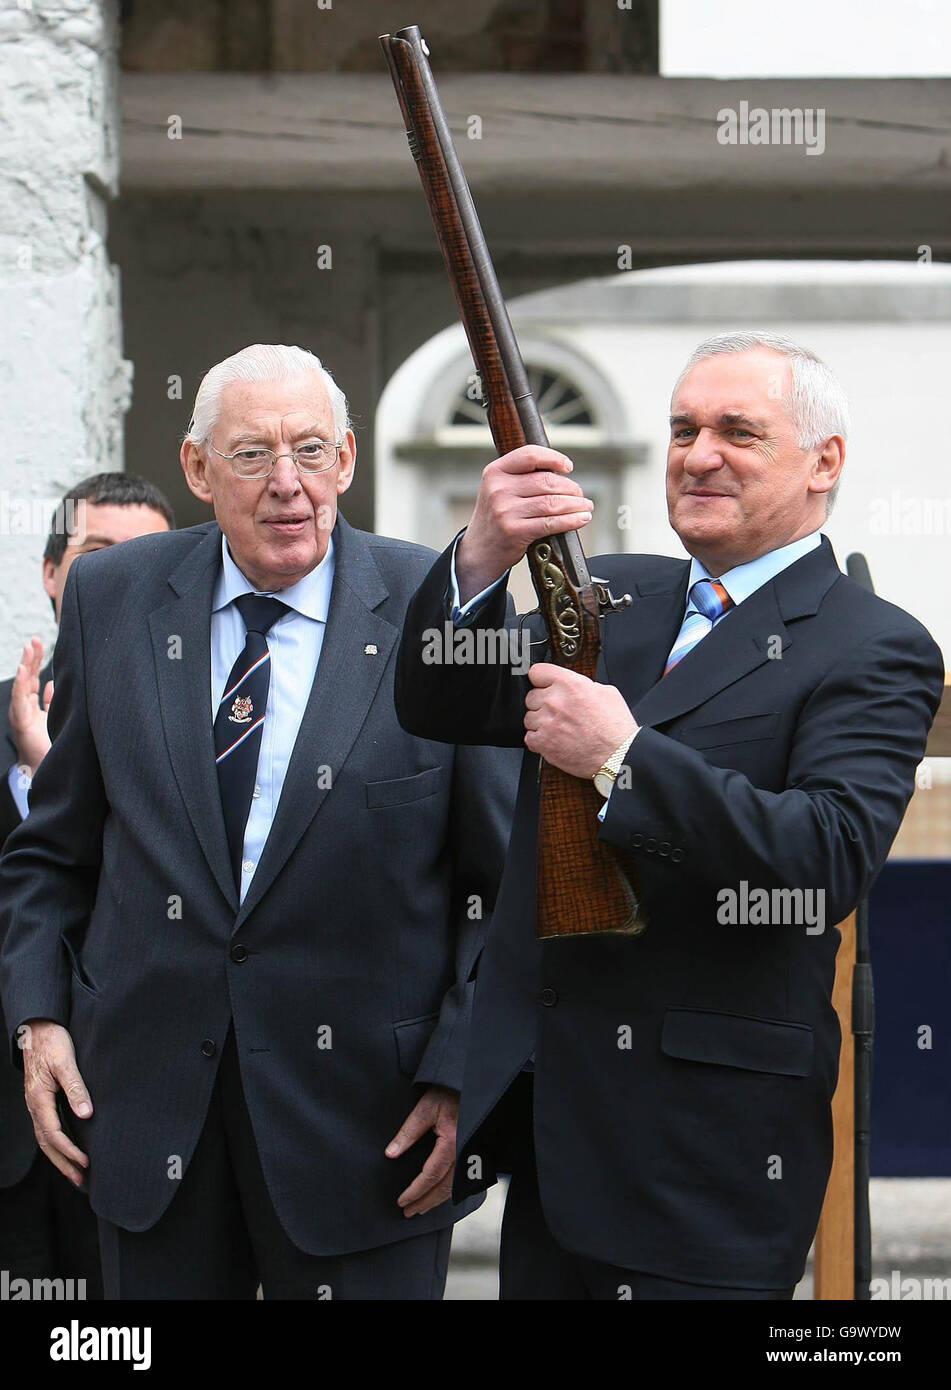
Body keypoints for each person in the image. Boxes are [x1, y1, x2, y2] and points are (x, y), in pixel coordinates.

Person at [394, 330, 944, 1299]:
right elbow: (438, 697)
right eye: (684, 428)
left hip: (709, 1170)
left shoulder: (875, 645)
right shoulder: (619, 596)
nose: (698, 454)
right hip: (556, 1150)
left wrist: (622, 756)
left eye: (739, 431)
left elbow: (821, 860)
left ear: (826, 463)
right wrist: (481, 553)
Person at [0, 344, 517, 1300]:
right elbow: (52, 851)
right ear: (197, 469)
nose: (288, 484)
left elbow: (502, 883)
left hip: (374, 1135)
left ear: (348, 461)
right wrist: (38, 1020)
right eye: (250, 456)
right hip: (148, 1118)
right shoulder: (115, 600)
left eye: (311, 451)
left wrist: (463, 1072)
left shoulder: (442, 610)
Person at [0, 473, 173, 1298]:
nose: (121, 576)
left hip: (136, 1128)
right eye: (97, 555)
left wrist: (48, 772)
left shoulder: (208, 734)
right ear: (51, 574)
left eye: (146, 557)